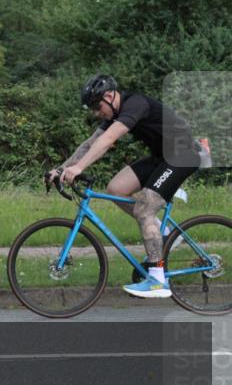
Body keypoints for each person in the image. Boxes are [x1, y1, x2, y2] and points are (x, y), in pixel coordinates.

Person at [48, 74, 201, 299]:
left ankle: (158, 281)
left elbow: (108, 140)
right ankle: (166, 234)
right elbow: (91, 143)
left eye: (97, 106)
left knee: (143, 210)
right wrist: (62, 169)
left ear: (110, 96)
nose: (96, 112)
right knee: (116, 189)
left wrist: (79, 168)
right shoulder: (115, 113)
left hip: (183, 156)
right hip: (162, 158)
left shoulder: (135, 104)